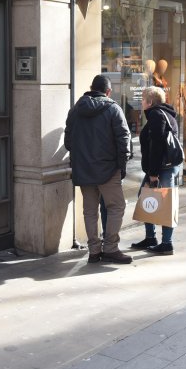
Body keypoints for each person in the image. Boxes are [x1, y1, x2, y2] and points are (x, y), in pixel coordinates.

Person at [64, 75, 133, 265]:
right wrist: (122, 165)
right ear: (108, 91)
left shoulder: (75, 110)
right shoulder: (113, 109)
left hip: (84, 169)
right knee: (116, 206)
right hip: (108, 169)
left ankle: (94, 251)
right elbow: (123, 139)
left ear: (91, 88)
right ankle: (110, 248)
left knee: (90, 210)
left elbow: (68, 142)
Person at [130, 86, 182, 255]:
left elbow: (157, 146)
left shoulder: (156, 115)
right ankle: (151, 238)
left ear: (150, 102)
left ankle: (167, 243)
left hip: (161, 169)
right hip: (166, 167)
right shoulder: (166, 114)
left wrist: (153, 173)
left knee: (165, 204)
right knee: (145, 198)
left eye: (143, 99)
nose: (141, 102)